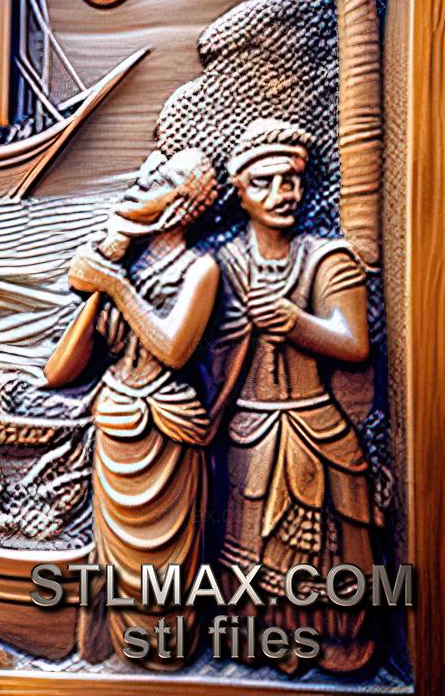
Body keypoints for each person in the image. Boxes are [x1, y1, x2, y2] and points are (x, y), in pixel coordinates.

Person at [210, 118, 378, 674]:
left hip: (316, 431)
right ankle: (258, 640)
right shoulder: (222, 266)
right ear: (239, 190)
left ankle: (332, 644)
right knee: (249, 549)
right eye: (264, 182)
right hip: (249, 434)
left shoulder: (327, 259)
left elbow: (354, 343)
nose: (281, 194)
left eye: (291, 181)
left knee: (324, 550)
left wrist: (296, 323)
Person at [55, 148, 220, 667]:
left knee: (167, 567)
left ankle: (166, 656)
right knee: (116, 562)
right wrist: (105, 272)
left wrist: (115, 285)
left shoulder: (200, 269)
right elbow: (60, 372)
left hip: (167, 431)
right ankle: (119, 651)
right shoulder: (126, 265)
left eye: (159, 182)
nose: (140, 187)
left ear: (183, 205)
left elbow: (174, 349)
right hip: (114, 425)